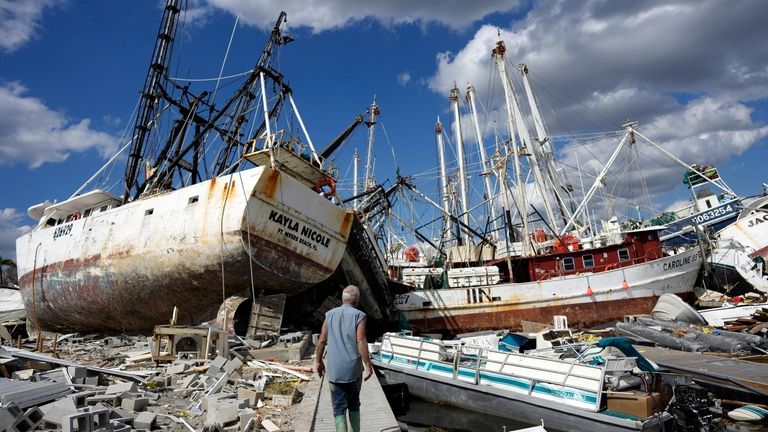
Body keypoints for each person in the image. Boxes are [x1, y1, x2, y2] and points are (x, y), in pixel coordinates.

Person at [315, 285, 373, 432]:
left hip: (334, 371)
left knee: (338, 407)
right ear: (357, 301)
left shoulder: (329, 315)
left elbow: (321, 341)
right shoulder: (359, 315)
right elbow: (361, 340)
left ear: (343, 299)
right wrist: (367, 365)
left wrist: (319, 361)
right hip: (353, 370)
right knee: (354, 404)